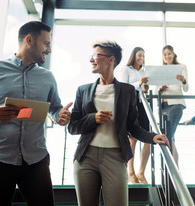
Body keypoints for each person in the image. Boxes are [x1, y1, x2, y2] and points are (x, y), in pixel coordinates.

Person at [0, 21, 72, 206]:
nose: (49, 49)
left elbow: (54, 107)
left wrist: (60, 115)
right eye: (46, 43)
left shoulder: (48, 77)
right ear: (29, 40)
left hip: (36, 159)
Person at [67, 41, 169, 206]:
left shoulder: (128, 91)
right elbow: (72, 127)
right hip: (85, 158)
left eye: (96, 55)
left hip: (115, 157)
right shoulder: (83, 90)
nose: (91, 60)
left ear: (110, 60)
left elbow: (133, 127)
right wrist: (93, 118)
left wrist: (152, 137)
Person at [120, 47, 151, 184]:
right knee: (133, 139)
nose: (141, 58)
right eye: (139, 55)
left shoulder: (144, 71)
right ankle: (130, 172)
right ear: (134, 56)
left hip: (144, 105)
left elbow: (144, 90)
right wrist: (139, 83)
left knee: (148, 138)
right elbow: (123, 87)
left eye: (143, 56)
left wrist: (145, 87)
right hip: (131, 105)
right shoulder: (126, 69)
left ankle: (141, 172)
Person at [158, 45, 188, 165]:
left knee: (168, 135)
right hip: (163, 107)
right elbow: (156, 91)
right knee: (169, 137)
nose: (167, 56)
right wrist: (160, 88)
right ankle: (175, 168)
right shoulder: (161, 70)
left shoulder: (181, 67)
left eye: (169, 53)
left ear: (174, 54)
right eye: (165, 54)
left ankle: (172, 168)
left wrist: (183, 80)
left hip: (176, 104)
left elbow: (186, 88)